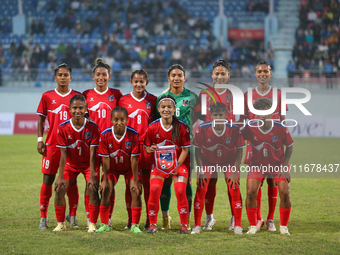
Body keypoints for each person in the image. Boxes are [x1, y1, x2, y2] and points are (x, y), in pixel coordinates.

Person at [242, 60, 287, 232]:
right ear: (255, 73)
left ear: (270, 73)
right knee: (255, 183)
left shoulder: (279, 94)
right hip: (256, 144)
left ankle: (270, 219)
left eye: (265, 71)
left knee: (272, 182)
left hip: (274, 144)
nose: (262, 74)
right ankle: (259, 218)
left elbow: (282, 121)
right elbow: (245, 121)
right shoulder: (248, 95)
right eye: (259, 71)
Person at [37, 63, 81, 229]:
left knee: (71, 181)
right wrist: (40, 139)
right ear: (55, 77)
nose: (63, 77)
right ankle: (43, 217)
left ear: (71, 77)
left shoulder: (77, 96)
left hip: (71, 146)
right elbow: (41, 119)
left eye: (66, 74)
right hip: (52, 145)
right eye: (60, 75)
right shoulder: (47, 96)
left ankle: (73, 216)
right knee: (48, 179)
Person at [240, 97, 293, 235]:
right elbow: (237, 141)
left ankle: (283, 226)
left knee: (285, 193)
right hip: (257, 165)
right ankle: (253, 225)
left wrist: (284, 166)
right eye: (260, 112)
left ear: (272, 112)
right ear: (256, 113)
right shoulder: (250, 127)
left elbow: (290, 146)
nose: (263, 115)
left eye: (267, 112)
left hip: (277, 165)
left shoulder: (280, 127)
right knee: (251, 192)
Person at [156, 64, 199, 230]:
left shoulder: (192, 96)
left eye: (179, 75)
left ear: (184, 78)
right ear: (169, 78)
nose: (176, 78)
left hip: (186, 146)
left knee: (186, 183)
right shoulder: (162, 97)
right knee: (165, 183)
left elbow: (200, 116)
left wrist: (186, 129)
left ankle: (186, 218)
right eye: (173, 75)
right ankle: (165, 218)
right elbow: (157, 120)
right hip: (165, 148)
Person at [191, 102, 245, 235]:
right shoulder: (202, 129)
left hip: (228, 161)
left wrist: (234, 171)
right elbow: (197, 151)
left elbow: (239, 152)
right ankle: (200, 223)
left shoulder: (234, 129)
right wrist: (202, 171)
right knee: (202, 187)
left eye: (221, 114)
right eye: (216, 115)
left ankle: (236, 223)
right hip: (208, 161)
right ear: (211, 115)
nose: (219, 117)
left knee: (234, 187)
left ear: (226, 115)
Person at [195, 59, 236, 231]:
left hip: (229, 144)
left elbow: (238, 118)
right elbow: (201, 118)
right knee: (208, 183)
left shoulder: (234, 95)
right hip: (209, 145)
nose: (219, 76)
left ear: (228, 75)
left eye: (223, 73)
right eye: (216, 73)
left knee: (231, 183)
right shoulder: (204, 94)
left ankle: (235, 218)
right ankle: (209, 218)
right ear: (212, 75)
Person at [82, 58, 122, 228]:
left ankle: (108, 218)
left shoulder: (117, 94)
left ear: (109, 76)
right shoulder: (86, 95)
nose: (101, 77)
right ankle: (90, 219)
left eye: (104, 74)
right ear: (93, 77)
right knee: (91, 183)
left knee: (108, 184)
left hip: (110, 148)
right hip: (90, 146)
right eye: (98, 74)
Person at [53, 94, 100, 232]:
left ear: (86, 109)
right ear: (69, 109)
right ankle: (61, 224)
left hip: (87, 164)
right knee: (59, 189)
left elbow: (93, 155)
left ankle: (92, 223)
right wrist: (60, 176)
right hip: (70, 164)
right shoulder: (63, 127)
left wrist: (92, 175)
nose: (77, 111)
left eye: (81, 108)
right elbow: (63, 155)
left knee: (92, 188)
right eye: (74, 108)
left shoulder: (93, 127)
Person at [144, 95, 191, 234]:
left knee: (181, 190)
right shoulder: (152, 127)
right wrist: (149, 149)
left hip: (179, 164)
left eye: (169, 107)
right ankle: (153, 225)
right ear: (158, 109)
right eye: (163, 107)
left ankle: (184, 225)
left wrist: (177, 165)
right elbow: (146, 147)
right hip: (159, 165)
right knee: (153, 190)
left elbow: (185, 150)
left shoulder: (182, 126)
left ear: (174, 109)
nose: (166, 109)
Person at [118, 69, 157, 229]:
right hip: (130, 149)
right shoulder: (123, 100)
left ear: (146, 82)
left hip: (147, 149)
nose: (139, 84)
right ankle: (131, 219)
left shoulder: (153, 100)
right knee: (131, 185)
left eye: (142, 81)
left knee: (148, 187)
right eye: (136, 81)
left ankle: (149, 219)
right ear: (131, 82)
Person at [96, 107, 143, 233]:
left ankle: (135, 225)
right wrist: (105, 180)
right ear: (111, 120)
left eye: (122, 119)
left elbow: (134, 159)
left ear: (127, 120)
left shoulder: (133, 134)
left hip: (129, 168)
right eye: (116, 119)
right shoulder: (105, 135)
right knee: (105, 189)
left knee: (135, 190)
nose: (119, 122)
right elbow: (105, 160)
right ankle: (105, 224)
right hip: (112, 169)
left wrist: (135, 180)